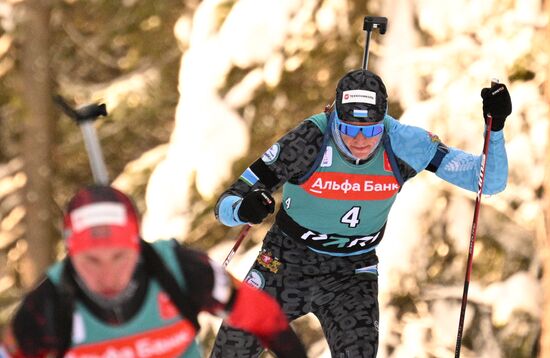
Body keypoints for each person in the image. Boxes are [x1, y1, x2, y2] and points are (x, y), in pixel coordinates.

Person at [210, 68, 512, 357]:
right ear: (334, 118)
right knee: (230, 349)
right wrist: (244, 209)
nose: (360, 140)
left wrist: (495, 128)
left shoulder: (405, 143)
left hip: (351, 272)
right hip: (285, 263)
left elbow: (488, 181)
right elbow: (225, 204)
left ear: (384, 122)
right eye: (348, 129)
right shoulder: (308, 141)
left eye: (371, 130)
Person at [1, 185, 308, 358]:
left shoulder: (180, 271)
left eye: (119, 256)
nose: (108, 276)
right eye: (91, 261)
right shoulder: (46, 307)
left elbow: (260, 314)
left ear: (136, 244)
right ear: (70, 253)